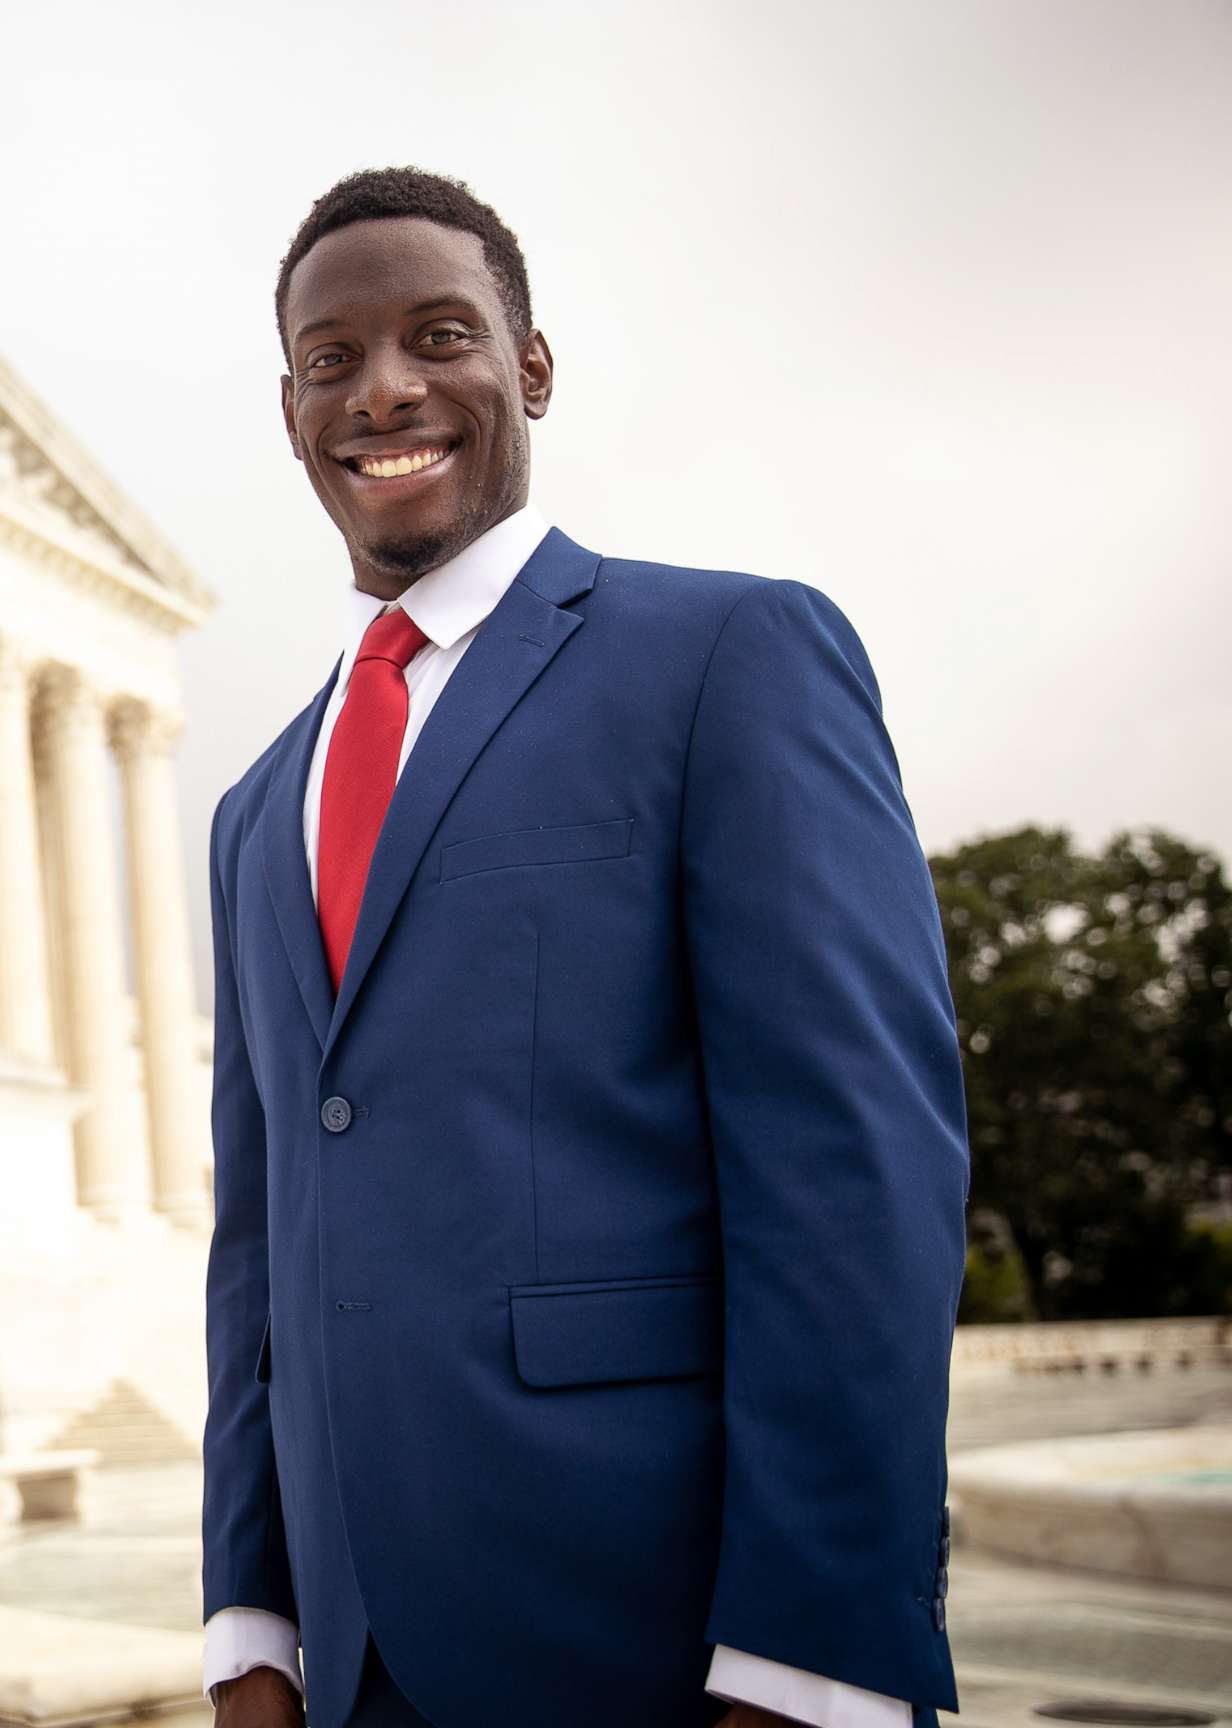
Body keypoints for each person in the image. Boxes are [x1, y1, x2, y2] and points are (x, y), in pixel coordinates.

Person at [199, 167, 969, 1728]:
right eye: (332, 360)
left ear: (530, 365)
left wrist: (809, 1658)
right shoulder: (250, 805)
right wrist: (248, 1619)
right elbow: (259, 1249)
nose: (386, 390)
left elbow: (854, 1170)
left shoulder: (730, 657)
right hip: (349, 1670)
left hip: (656, 1636)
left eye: (439, 335)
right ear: (292, 409)